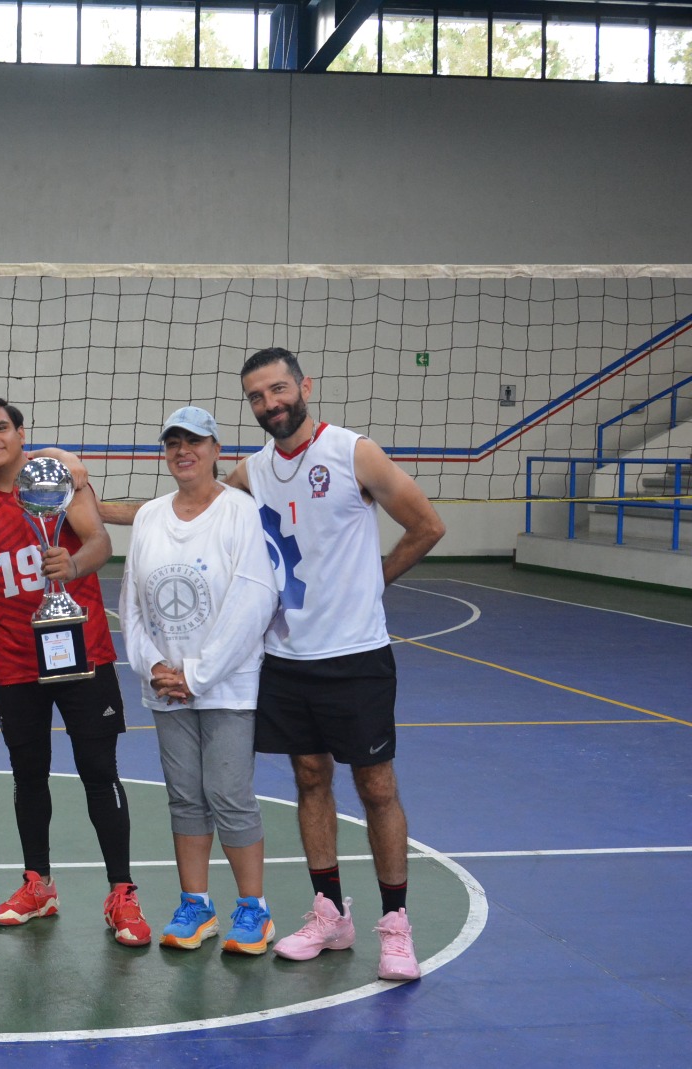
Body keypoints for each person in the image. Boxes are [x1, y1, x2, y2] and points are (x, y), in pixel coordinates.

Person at [229, 346, 445, 981]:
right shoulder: (254, 469)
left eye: (278, 390)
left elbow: (427, 525)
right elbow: (181, 505)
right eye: (257, 397)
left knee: (376, 786)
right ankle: (329, 913)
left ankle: (396, 924)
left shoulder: (354, 452)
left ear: (304, 386)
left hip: (356, 657)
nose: (270, 404)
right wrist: (85, 502)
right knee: (309, 779)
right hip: (287, 658)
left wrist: (374, 581)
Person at [0, 398, 149, 947]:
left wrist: (75, 564)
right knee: (29, 775)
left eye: (1, 428)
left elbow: (99, 542)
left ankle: (122, 893)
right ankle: (38, 884)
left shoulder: (58, 482)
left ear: (21, 434)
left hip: (82, 652)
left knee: (98, 770)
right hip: (17, 663)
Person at [118, 406, 279, 954]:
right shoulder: (149, 517)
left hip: (225, 684)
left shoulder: (239, 512)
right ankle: (196, 905)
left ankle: (253, 911)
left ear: (216, 450)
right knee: (185, 798)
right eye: (173, 443)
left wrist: (198, 673)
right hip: (165, 686)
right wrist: (153, 667)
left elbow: (253, 598)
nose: (183, 451)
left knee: (229, 794)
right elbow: (133, 604)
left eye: (195, 442)